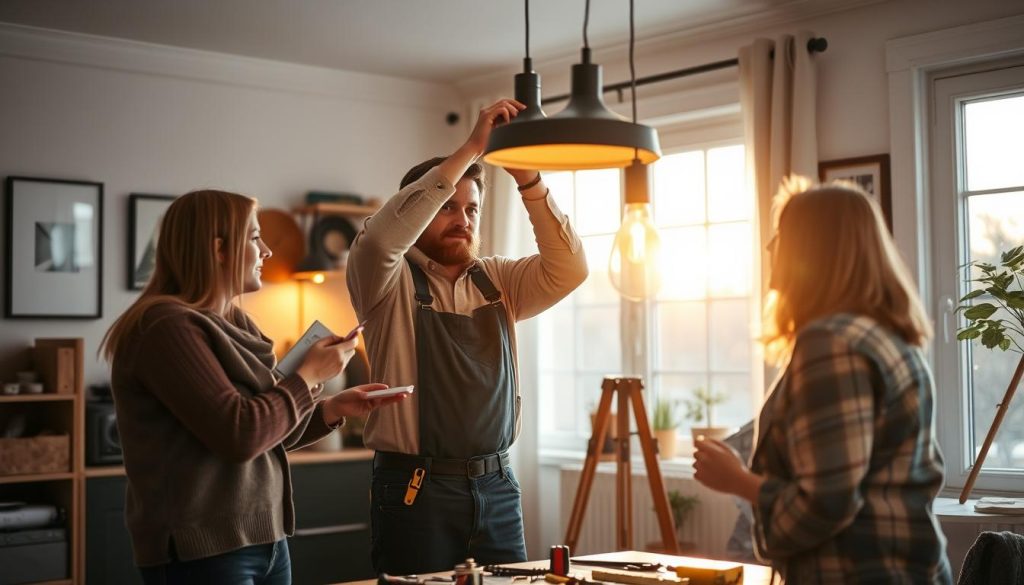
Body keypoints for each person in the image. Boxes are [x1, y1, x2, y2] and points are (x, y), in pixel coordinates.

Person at [101, 190, 406, 585]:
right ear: (219, 249)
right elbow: (240, 434)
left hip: (266, 542)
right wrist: (307, 377)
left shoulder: (238, 325)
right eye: (254, 237)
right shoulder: (165, 327)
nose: (266, 251)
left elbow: (267, 432)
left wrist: (332, 409)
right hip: (202, 552)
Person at [345, 99, 589, 573]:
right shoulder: (385, 281)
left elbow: (570, 268)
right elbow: (378, 239)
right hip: (416, 489)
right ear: (418, 212)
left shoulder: (498, 280)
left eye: (471, 209)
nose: (463, 219)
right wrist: (473, 146)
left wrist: (529, 182)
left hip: (497, 484)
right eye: (447, 207)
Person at [693, 179, 952, 583]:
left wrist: (739, 481)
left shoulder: (832, 345)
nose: (769, 248)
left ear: (813, 251)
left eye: (782, 235)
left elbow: (827, 502)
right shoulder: (882, 336)